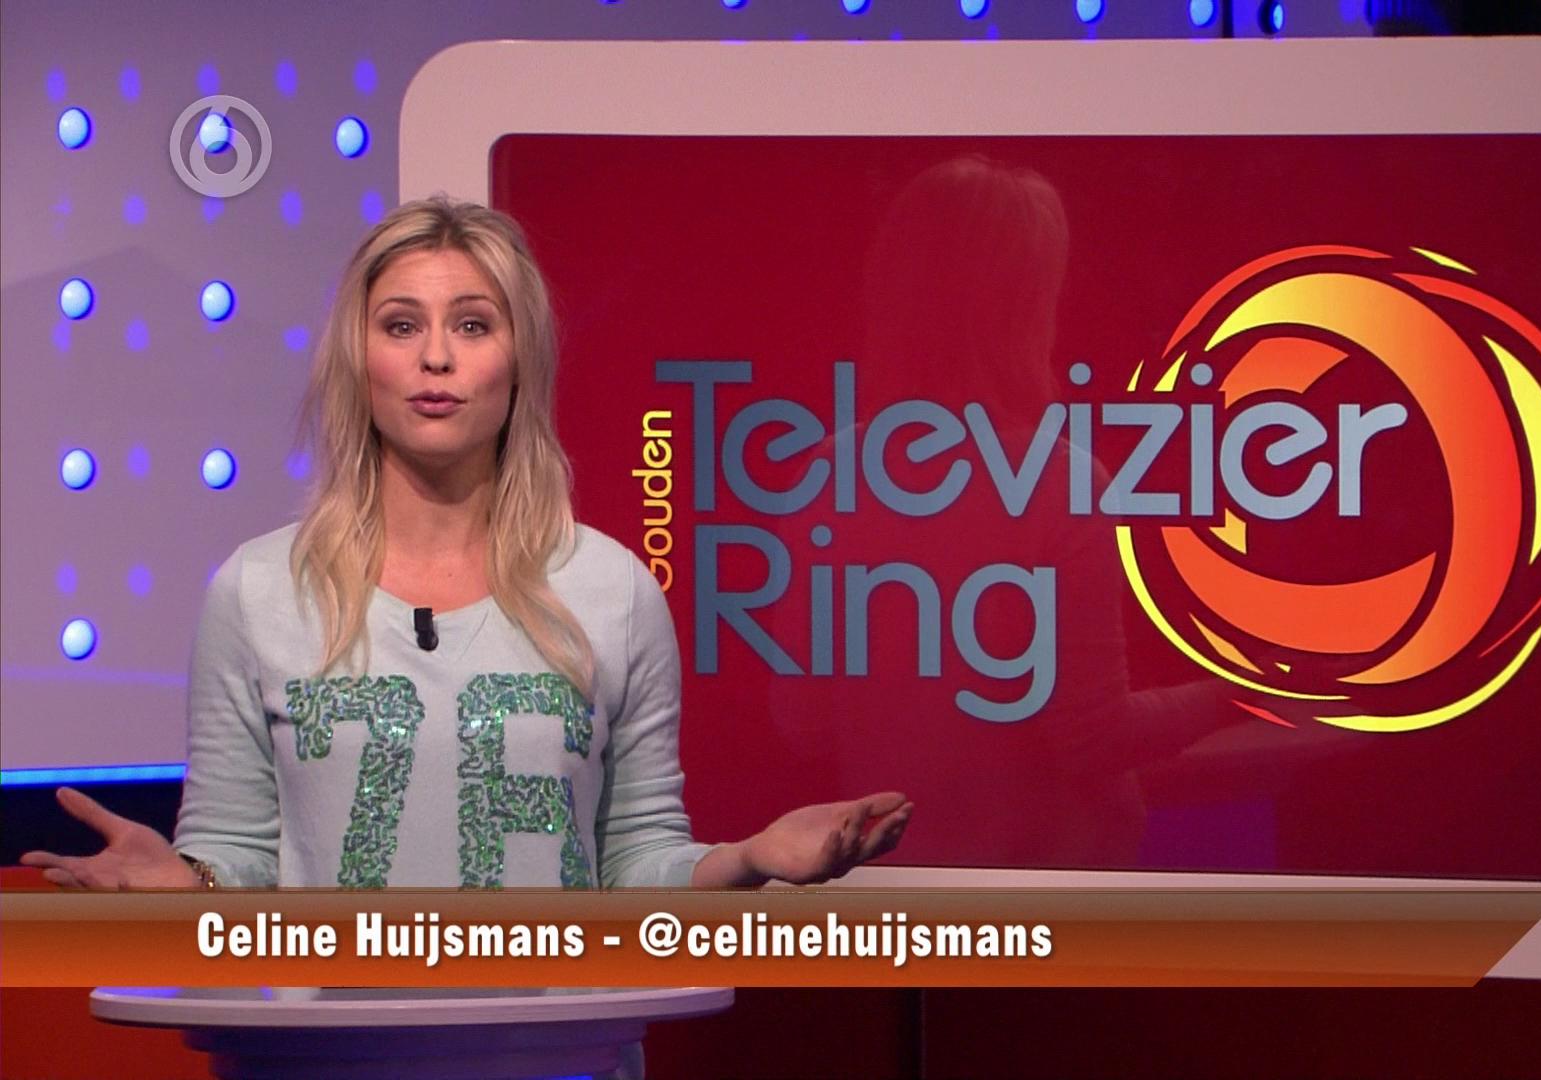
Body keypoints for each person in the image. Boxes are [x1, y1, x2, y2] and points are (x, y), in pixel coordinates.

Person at [22, 195, 911, 890]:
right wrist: (187, 885)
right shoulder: (258, 590)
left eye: (474, 325)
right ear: (359, 359)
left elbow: (636, 862)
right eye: (401, 325)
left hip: (554, 1040)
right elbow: (236, 857)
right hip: (316, 1044)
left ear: (519, 361)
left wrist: (748, 859)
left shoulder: (611, 590)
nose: (437, 358)